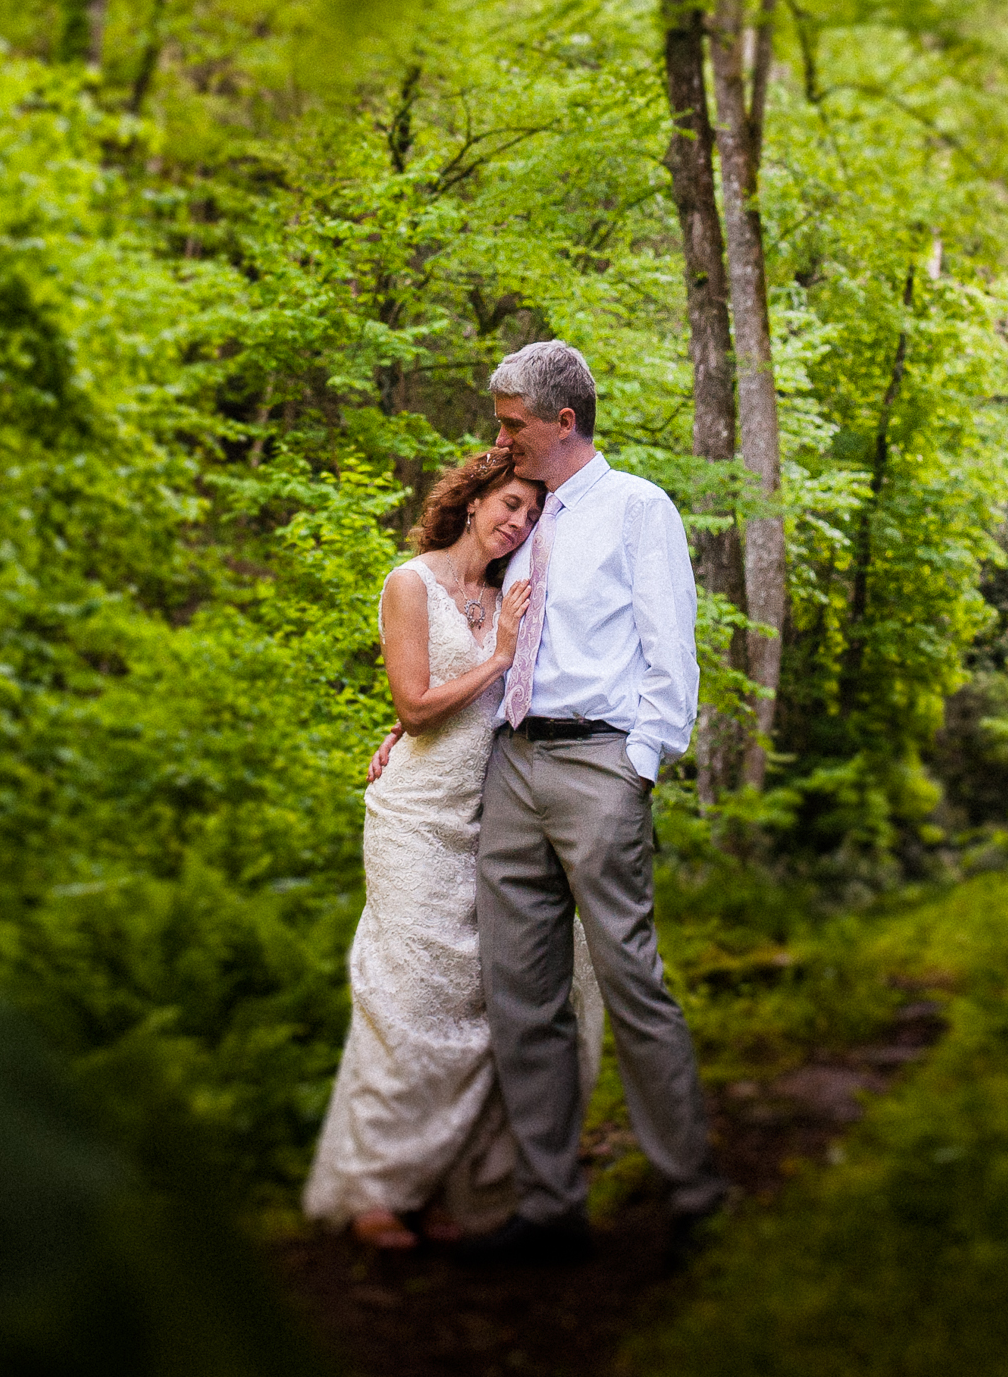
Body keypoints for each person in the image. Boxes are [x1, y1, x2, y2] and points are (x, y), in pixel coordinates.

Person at [465, 338, 731, 1266]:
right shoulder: (523, 516)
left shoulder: (634, 508)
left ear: (562, 421)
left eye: (512, 426)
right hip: (512, 762)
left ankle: (692, 1192)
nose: (501, 443)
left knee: (630, 978)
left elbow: (672, 645)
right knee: (519, 991)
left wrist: (641, 765)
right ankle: (548, 1204)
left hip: (598, 765)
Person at [302, 448, 604, 1249]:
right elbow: (416, 701)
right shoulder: (411, 583)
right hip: (416, 818)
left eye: (531, 517)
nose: (517, 523)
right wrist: (492, 660)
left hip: (496, 815)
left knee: (476, 1007)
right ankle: (374, 1190)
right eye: (509, 504)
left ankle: (435, 1183)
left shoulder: (512, 592)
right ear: (472, 499)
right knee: (406, 996)